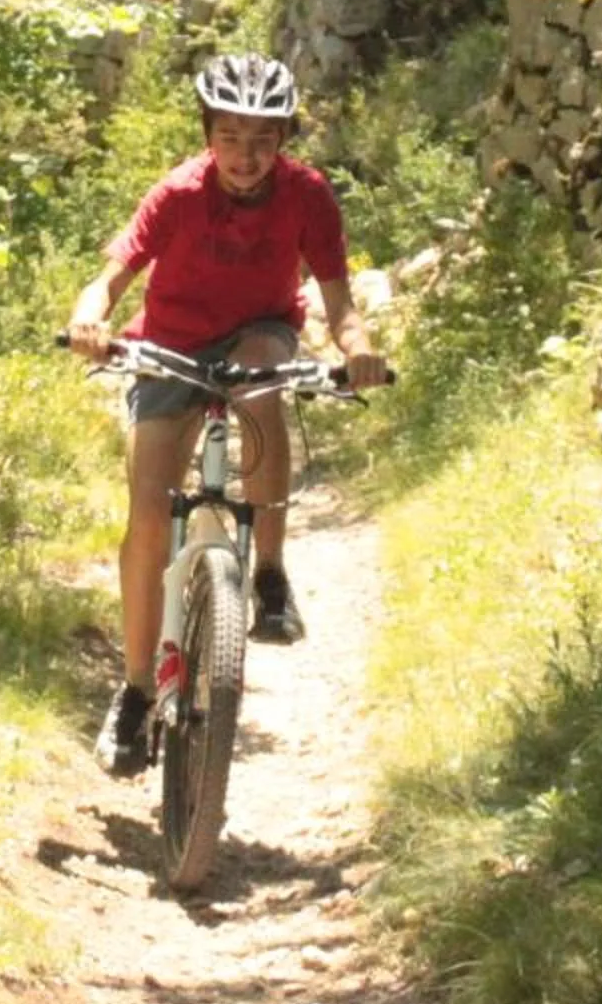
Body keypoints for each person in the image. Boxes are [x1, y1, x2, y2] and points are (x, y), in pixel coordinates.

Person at [64, 52, 392, 777]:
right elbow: (112, 277)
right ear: (209, 134)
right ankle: (137, 692)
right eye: (232, 137)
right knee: (148, 514)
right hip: (170, 344)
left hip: (260, 330)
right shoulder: (178, 193)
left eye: (263, 140)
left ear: (284, 141)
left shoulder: (307, 195)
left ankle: (270, 574)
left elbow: (338, 299)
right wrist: (89, 319)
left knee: (260, 385)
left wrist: (359, 348)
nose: (247, 157)